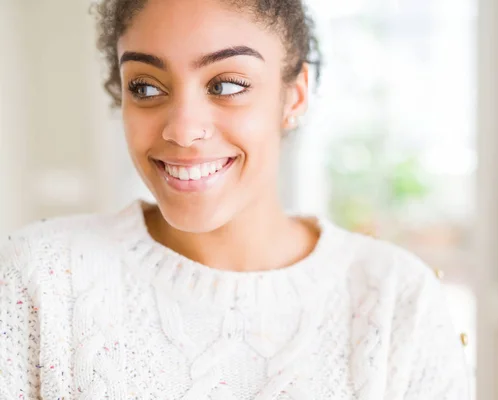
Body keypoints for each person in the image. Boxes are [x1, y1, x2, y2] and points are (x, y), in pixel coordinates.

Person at [0, 0, 470, 398]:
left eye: (225, 85)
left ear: (295, 97)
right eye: (145, 87)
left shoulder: (393, 299)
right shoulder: (39, 278)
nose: (182, 129)